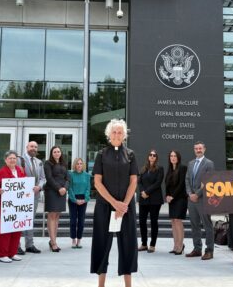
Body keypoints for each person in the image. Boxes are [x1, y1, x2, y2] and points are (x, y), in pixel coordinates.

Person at [91, 119, 138, 287]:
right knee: (102, 244)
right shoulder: (101, 154)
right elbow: (97, 182)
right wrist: (114, 203)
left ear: (124, 135)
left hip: (126, 208)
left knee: (128, 245)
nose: (117, 135)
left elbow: (133, 182)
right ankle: (101, 284)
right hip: (105, 206)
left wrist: (123, 204)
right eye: (114, 132)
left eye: (120, 132)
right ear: (109, 134)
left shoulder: (130, 154)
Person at [185, 141, 215, 260]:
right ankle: (197, 249)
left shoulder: (209, 164)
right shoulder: (191, 163)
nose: (198, 150)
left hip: (203, 199)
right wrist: (190, 194)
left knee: (207, 225)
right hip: (191, 200)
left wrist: (197, 194)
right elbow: (187, 179)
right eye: (196, 148)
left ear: (204, 149)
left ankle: (209, 250)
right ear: (194, 150)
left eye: (200, 148)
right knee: (194, 225)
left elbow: (209, 181)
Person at [0, 150, 26, 263]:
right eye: (10, 158)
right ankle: (2, 254)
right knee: (4, 231)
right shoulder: (1, 172)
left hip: (18, 206)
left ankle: (12, 253)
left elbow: (24, 184)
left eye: (14, 158)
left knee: (16, 230)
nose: (12, 160)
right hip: (5, 207)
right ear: (5, 160)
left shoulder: (20, 170)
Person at [18, 141, 45, 255]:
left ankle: (29, 244)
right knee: (18, 220)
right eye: (31, 146)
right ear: (27, 147)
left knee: (30, 220)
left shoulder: (39, 162)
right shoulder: (19, 159)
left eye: (35, 147)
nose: (33, 148)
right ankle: (16, 245)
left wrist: (39, 186)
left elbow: (43, 178)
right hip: (20, 196)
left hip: (34, 195)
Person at [138, 149, 164, 253]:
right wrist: (142, 192)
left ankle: (152, 245)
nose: (152, 156)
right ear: (148, 157)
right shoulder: (143, 169)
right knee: (142, 222)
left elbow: (158, 183)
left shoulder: (160, 168)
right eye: (150, 155)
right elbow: (139, 182)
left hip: (154, 200)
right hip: (143, 199)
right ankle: (144, 244)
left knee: (154, 222)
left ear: (156, 157)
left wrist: (147, 192)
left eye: (154, 155)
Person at [44, 145, 70, 252]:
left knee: (57, 216)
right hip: (52, 191)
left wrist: (65, 188)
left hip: (62, 192)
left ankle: (53, 240)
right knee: (52, 215)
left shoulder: (64, 163)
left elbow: (68, 178)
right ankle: (53, 242)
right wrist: (59, 188)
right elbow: (49, 178)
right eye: (54, 152)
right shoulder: (48, 163)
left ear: (61, 153)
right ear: (51, 153)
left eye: (58, 151)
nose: (56, 153)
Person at [165, 150, 188, 255]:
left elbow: (181, 185)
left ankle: (180, 245)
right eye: (171, 156)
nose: (173, 157)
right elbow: (167, 185)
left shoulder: (182, 168)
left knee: (178, 221)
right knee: (173, 222)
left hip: (180, 198)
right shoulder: (169, 169)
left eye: (175, 156)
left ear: (178, 157)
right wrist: (167, 196)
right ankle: (175, 245)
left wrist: (172, 196)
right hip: (172, 200)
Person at [68, 157, 91, 249]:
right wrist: (75, 200)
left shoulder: (87, 175)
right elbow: (69, 188)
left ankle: (79, 239)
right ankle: (73, 239)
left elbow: (88, 188)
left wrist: (85, 199)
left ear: (83, 165)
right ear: (75, 165)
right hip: (73, 199)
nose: (79, 165)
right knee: (73, 220)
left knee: (81, 220)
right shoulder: (71, 174)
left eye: (81, 163)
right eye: (77, 163)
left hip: (83, 199)